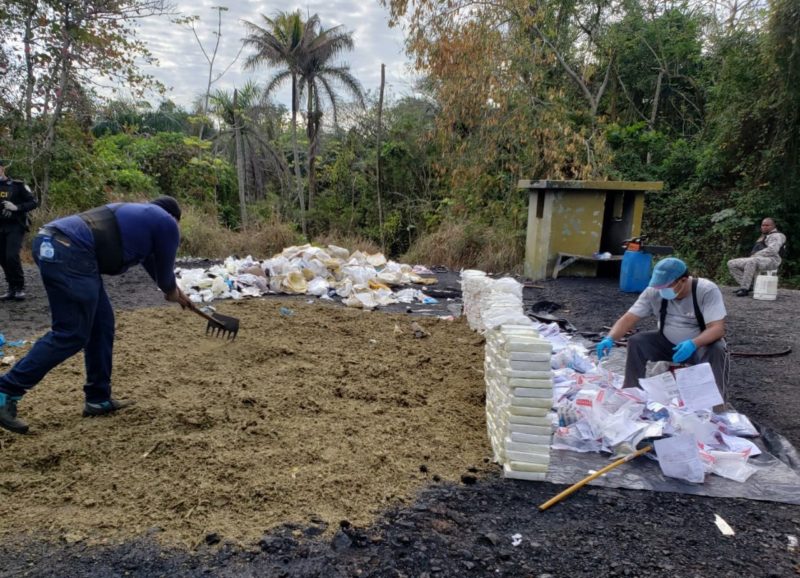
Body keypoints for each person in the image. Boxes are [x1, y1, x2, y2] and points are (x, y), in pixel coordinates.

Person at [0, 196, 194, 434]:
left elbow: (156, 269)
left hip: (53, 243)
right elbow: (165, 277)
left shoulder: (142, 218)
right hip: (70, 251)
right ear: (175, 218)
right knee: (71, 332)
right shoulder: (166, 223)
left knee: (101, 324)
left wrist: (174, 290)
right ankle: (6, 390)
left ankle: (98, 398)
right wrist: (171, 290)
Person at [596, 257, 728, 401]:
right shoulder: (654, 291)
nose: (661, 290)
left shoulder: (706, 290)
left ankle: (715, 405)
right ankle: (632, 391)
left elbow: (717, 329)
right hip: (667, 343)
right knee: (636, 341)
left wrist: (693, 343)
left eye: (666, 286)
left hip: (699, 346)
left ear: (683, 280)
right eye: (659, 286)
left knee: (717, 349)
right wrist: (610, 338)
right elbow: (629, 318)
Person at [0, 159, 38, 300]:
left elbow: (33, 202)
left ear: (2, 169)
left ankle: (19, 287)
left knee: (11, 256)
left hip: (15, 225)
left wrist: (17, 208)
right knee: (2, 258)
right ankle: (11, 288)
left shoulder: (17, 185)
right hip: (0, 226)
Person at [727, 217, 786, 297]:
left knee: (752, 261)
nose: (764, 227)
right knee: (731, 263)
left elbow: (773, 250)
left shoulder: (777, 235)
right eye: (763, 225)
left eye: (767, 225)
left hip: (772, 260)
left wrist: (756, 255)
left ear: (773, 226)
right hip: (758, 259)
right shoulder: (764, 235)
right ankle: (749, 285)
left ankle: (744, 289)